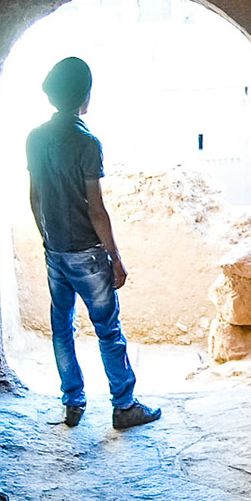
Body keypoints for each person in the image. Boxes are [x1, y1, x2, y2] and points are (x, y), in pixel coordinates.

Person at [25, 56, 162, 430]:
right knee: (107, 329)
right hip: (87, 252)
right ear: (84, 96)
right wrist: (115, 257)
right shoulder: (87, 143)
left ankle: (72, 401)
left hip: (55, 250)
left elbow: (35, 197)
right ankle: (124, 405)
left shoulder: (35, 139)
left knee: (61, 326)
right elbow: (96, 209)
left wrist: (48, 240)